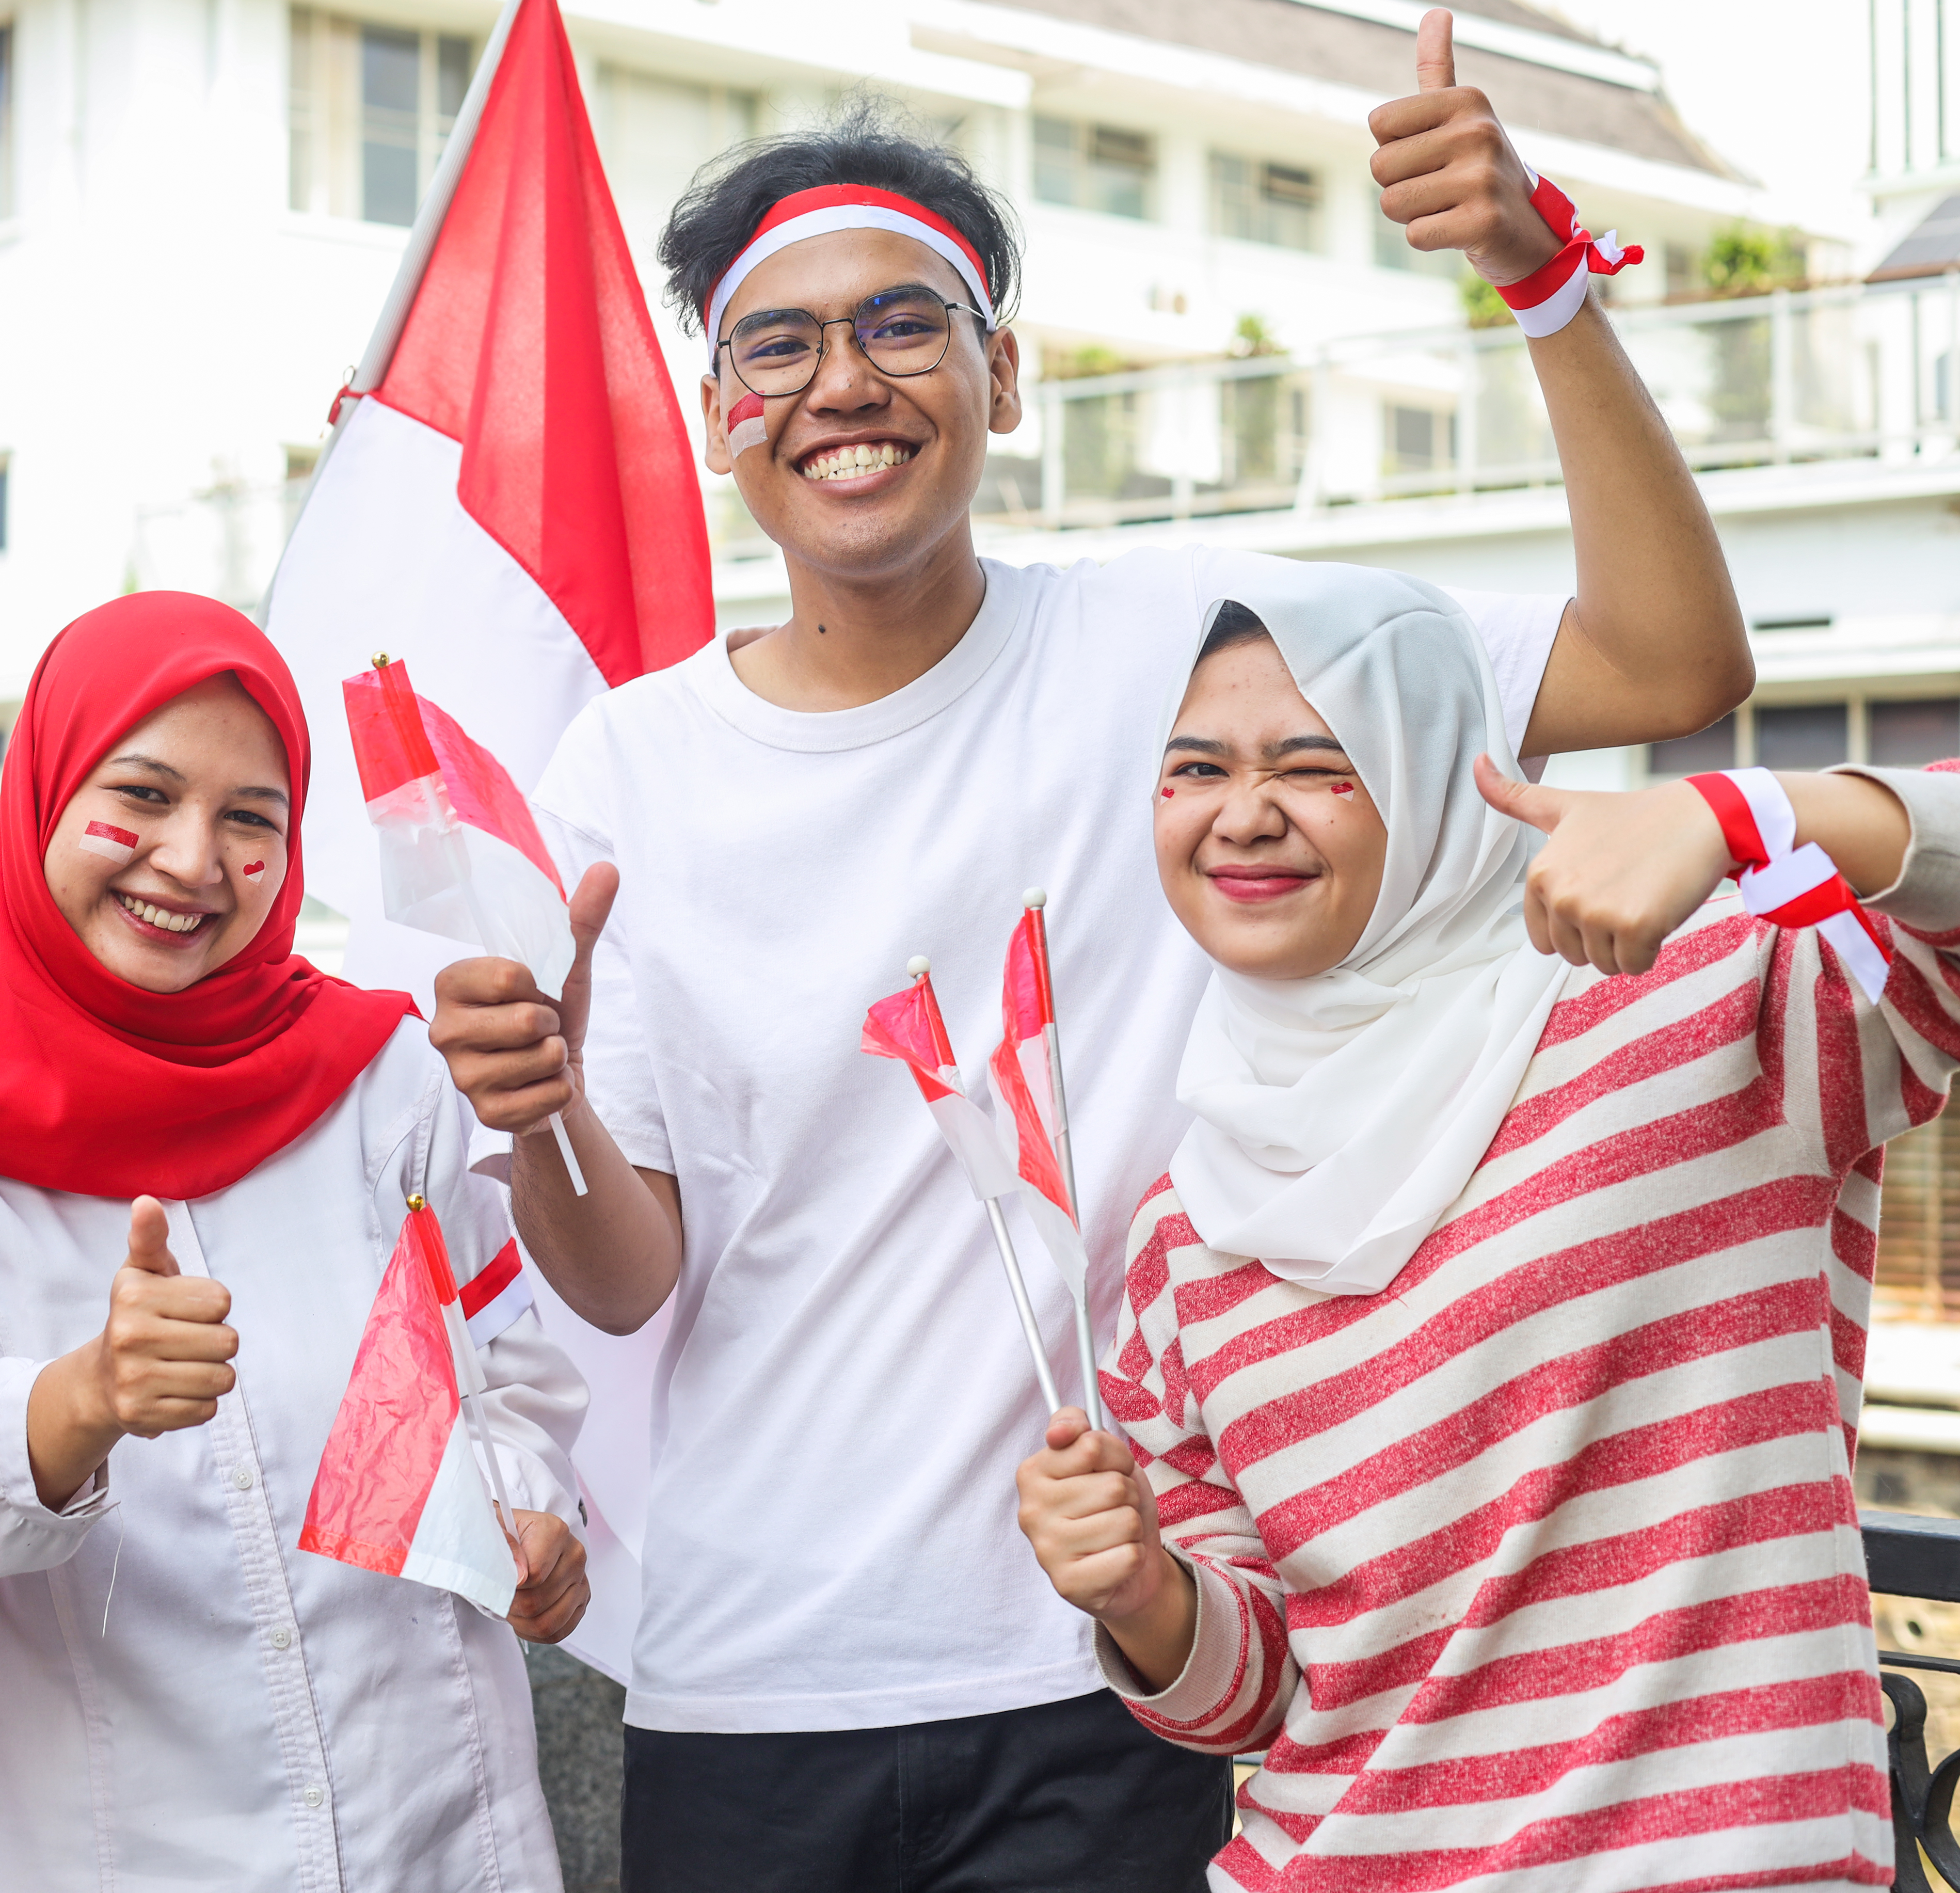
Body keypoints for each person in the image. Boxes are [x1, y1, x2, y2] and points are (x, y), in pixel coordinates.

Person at [424, 15, 1759, 1887]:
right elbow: (631, 1274)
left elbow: (1669, 666)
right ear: (718, 403)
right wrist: (538, 1114)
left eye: (904, 324)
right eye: (778, 344)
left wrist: (1541, 287)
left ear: (1007, 374)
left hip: (1123, 1649)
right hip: (751, 1680)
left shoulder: (1183, 647)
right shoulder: (626, 768)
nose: (843, 383)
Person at [1014, 554, 1940, 1886]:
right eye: (1195, 769)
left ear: (1444, 772)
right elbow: (1253, 1694)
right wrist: (1141, 1593)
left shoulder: (1708, 997)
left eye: (1317, 762)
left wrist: (1743, 813)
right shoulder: (1188, 1229)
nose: (1242, 814)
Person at [0, 592, 591, 1893]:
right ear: (42, 790)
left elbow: (504, 1370)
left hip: (440, 1839)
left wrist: (530, 1511)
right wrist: (83, 1399)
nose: (190, 860)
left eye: (249, 819)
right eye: (144, 794)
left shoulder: (379, 1079)